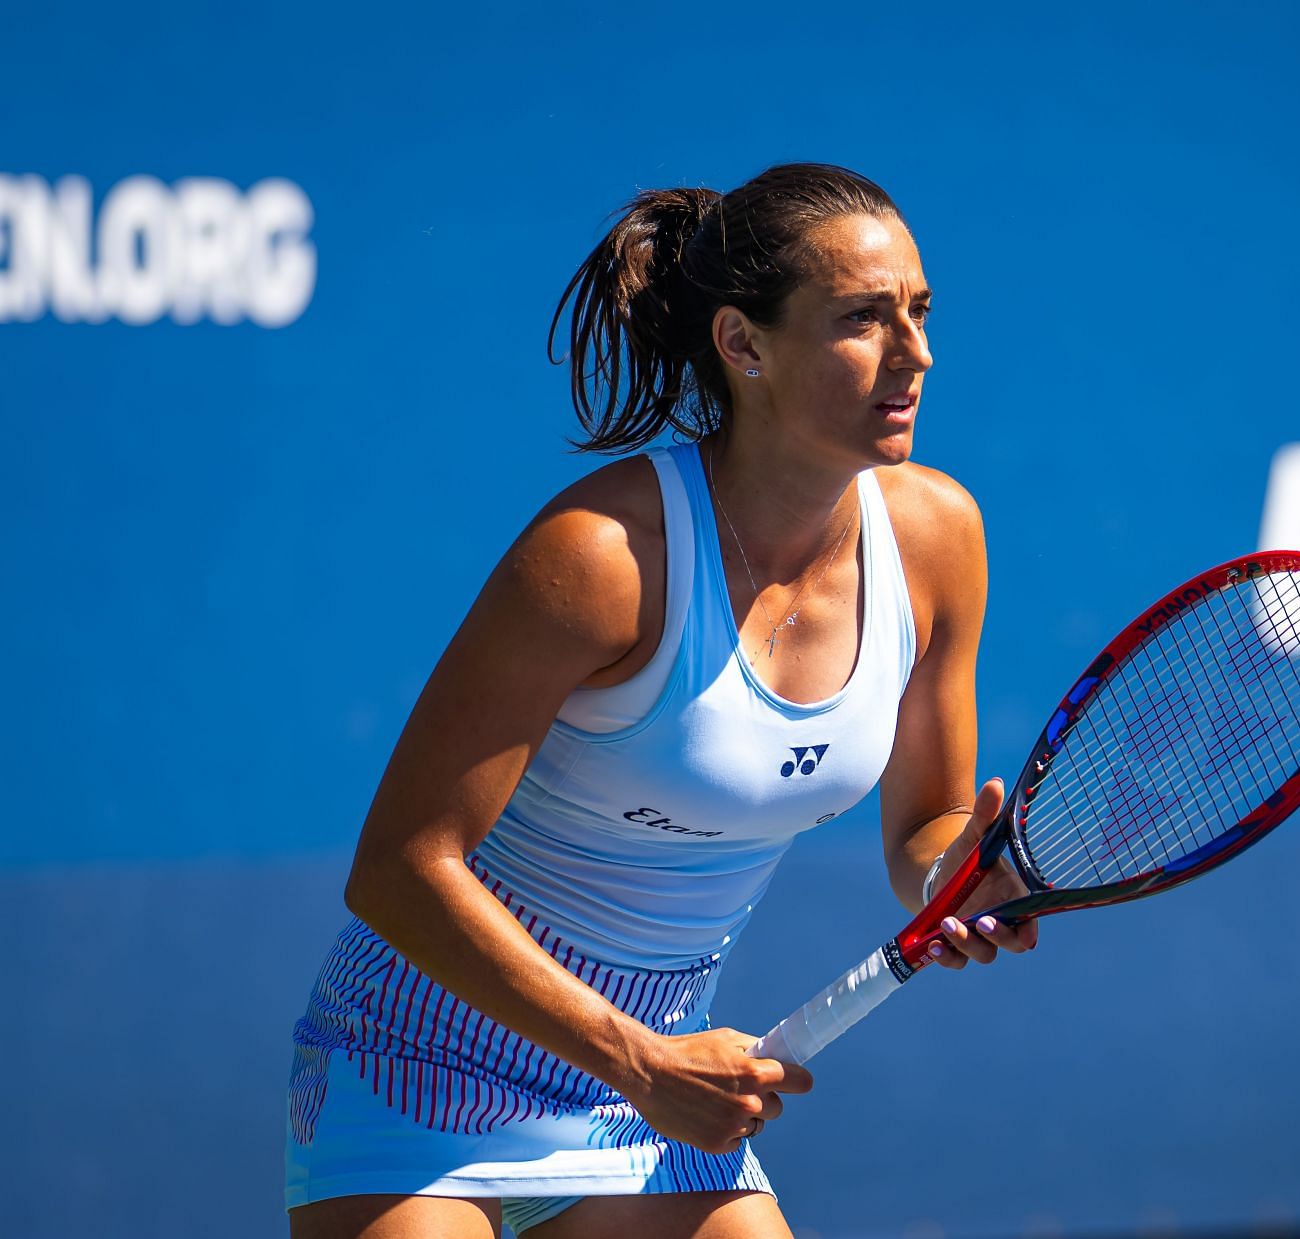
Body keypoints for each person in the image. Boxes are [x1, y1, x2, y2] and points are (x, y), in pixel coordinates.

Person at [285, 162, 1036, 1239]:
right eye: (862, 321)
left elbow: (926, 824)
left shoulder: (937, 543)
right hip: (418, 1063)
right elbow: (400, 868)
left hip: (654, 1086)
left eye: (919, 313)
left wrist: (959, 875)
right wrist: (634, 1057)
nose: (916, 354)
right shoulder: (598, 559)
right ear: (744, 344)